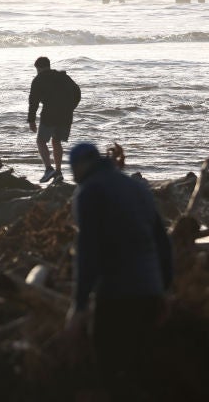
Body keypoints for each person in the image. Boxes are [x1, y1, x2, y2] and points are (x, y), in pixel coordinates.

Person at [67, 141, 173, 395]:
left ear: (80, 166)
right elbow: (163, 243)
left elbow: (89, 251)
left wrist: (79, 305)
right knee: (144, 369)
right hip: (150, 291)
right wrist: (165, 290)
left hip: (116, 294)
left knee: (109, 371)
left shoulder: (89, 192)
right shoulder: (138, 188)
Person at [28, 56, 81, 183]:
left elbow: (33, 101)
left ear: (38, 68)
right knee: (56, 141)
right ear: (49, 66)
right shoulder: (64, 77)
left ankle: (48, 169)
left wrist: (31, 120)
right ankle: (58, 172)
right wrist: (70, 108)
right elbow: (77, 93)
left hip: (49, 114)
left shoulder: (38, 79)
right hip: (66, 115)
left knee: (41, 141)